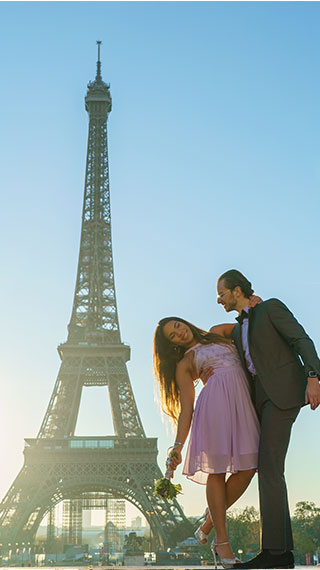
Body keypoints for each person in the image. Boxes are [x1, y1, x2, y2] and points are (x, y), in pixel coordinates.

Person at [201, 269, 320, 570]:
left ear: (237, 289)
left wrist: (313, 376)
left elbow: (300, 339)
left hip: (283, 394)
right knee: (269, 469)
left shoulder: (270, 308)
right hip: (260, 401)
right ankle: (281, 553)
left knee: (268, 468)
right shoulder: (240, 326)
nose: (218, 299)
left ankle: (275, 553)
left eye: (222, 293)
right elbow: (210, 336)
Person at [153, 315, 260, 568]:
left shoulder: (218, 331)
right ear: (172, 345)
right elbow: (187, 408)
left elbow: (251, 328)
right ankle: (221, 542)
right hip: (214, 408)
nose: (178, 333)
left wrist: (253, 303)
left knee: (249, 468)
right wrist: (177, 446)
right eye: (172, 336)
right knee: (217, 472)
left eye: (177, 326)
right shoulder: (185, 363)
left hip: (242, 405)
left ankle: (208, 523)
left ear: (185, 323)